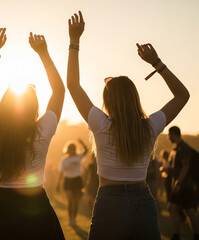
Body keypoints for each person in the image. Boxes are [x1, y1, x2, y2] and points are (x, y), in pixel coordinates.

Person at [66, 11, 190, 240]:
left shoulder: (101, 123)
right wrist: (156, 63)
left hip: (109, 203)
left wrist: (74, 41)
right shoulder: (150, 126)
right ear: (134, 97)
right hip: (144, 203)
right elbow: (182, 96)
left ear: (108, 101)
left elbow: (73, 85)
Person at [0, 28, 65, 240]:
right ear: (34, 107)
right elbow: (59, 90)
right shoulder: (42, 130)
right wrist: (43, 53)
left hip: (0, 209)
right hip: (37, 207)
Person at [167, 126, 199, 240]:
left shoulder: (183, 147)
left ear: (174, 134)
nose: (168, 137)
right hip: (178, 186)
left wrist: (178, 183)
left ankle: (196, 235)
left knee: (189, 210)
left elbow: (185, 166)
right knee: (172, 208)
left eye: (169, 134)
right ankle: (176, 236)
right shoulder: (175, 148)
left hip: (184, 186)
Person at [56, 139, 88, 226]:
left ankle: (74, 218)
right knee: (70, 201)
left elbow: (86, 150)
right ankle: (70, 219)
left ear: (75, 149)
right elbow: (61, 172)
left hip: (77, 180)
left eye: (73, 148)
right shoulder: (64, 159)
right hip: (68, 180)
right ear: (67, 149)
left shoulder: (79, 156)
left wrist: (81, 142)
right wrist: (58, 184)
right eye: (70, 148)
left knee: (76, 202)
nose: (71, 150)